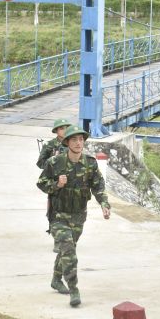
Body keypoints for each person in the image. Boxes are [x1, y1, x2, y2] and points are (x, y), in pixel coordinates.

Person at [36, 125, 110, 307]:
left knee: (67, 248)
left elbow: (98, 186)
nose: (79, 143)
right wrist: (57, 185)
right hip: (58, 215)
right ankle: (74, 289)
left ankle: (55, 278)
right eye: (74, 140)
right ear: (67, 142)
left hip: (79, 215)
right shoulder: (55, 163)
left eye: (81, 140)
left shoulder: (90, 163)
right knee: (69, 250)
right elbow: (41, 183)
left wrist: (104, 204)